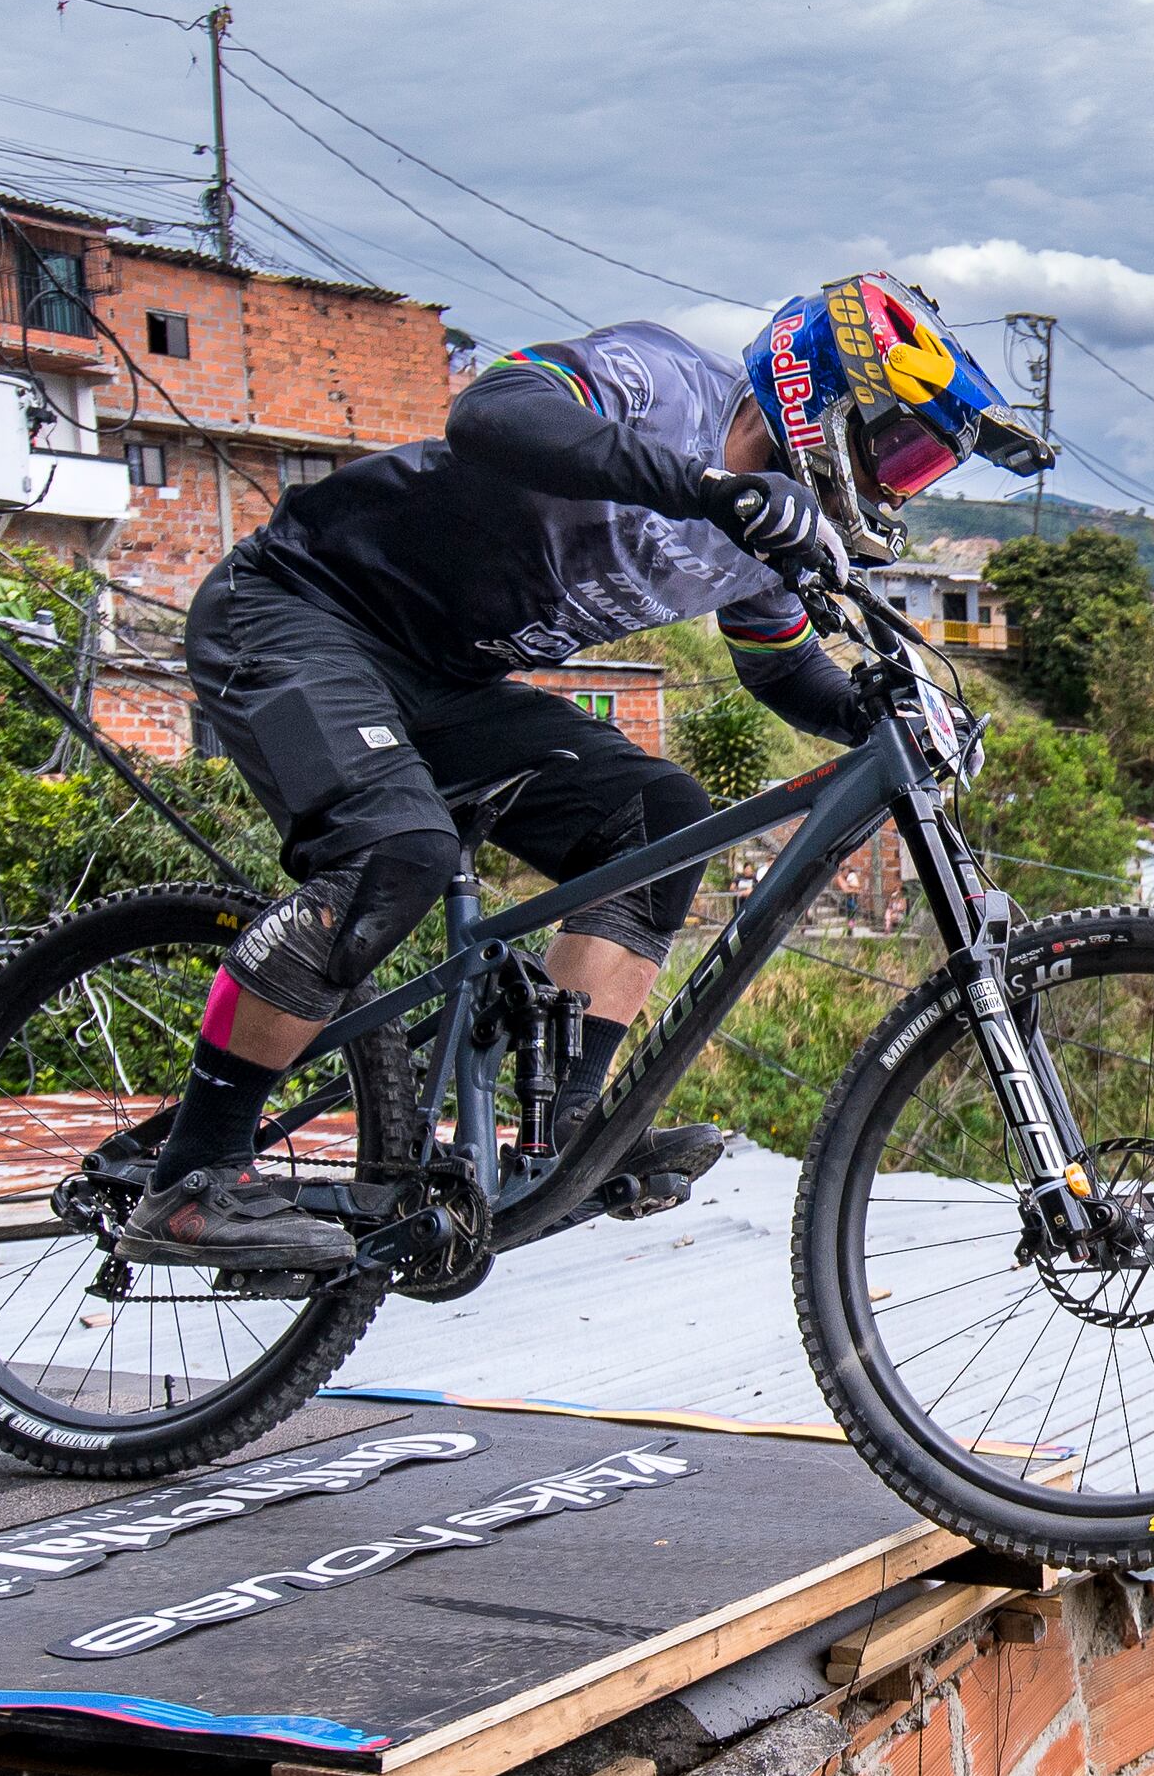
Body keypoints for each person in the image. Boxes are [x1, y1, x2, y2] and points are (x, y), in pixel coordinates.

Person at [120, 278, 1032, 1267]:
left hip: (442, 680)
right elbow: (491, 414)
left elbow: (777, 665)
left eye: (922, 467)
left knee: (658, 818)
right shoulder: (661, 384)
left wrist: (873, 706)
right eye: (895, 444)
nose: (896, 480)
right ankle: (191, 1177)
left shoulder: (770, 538)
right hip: (294, 612)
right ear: (822, 390)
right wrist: (708, 489)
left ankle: (565, 1135)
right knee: (395, 852)